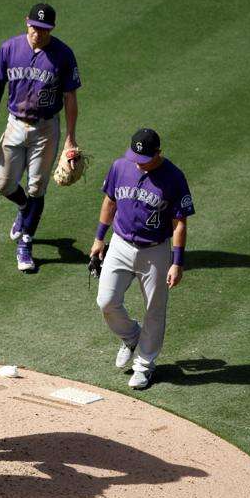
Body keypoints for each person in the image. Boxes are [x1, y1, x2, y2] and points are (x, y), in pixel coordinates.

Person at [0, 2, 81, 272]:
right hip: (15, 124)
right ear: (26, 22)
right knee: (3, 184)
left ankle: (26, 240)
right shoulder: (9, 49)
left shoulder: (63, 54)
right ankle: (24, 207)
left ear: (52, 29)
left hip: (46, 128)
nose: (39, 33)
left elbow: (70, 98)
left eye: (45, 29)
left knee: (37, 187)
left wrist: (71, 138)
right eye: (35, 27)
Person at [91, 128, 195, 389]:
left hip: (155, 251)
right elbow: (109, 202)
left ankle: (145, 365)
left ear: (158, 153)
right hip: (120, 244)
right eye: (135, 156)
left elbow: (179, 224)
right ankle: (131, 336)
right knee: (106, 301)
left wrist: (177, 261)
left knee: (155, 310)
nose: (138, 162)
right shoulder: (120, 166)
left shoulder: (173, 177)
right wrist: (99, 238)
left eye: (145, 157)